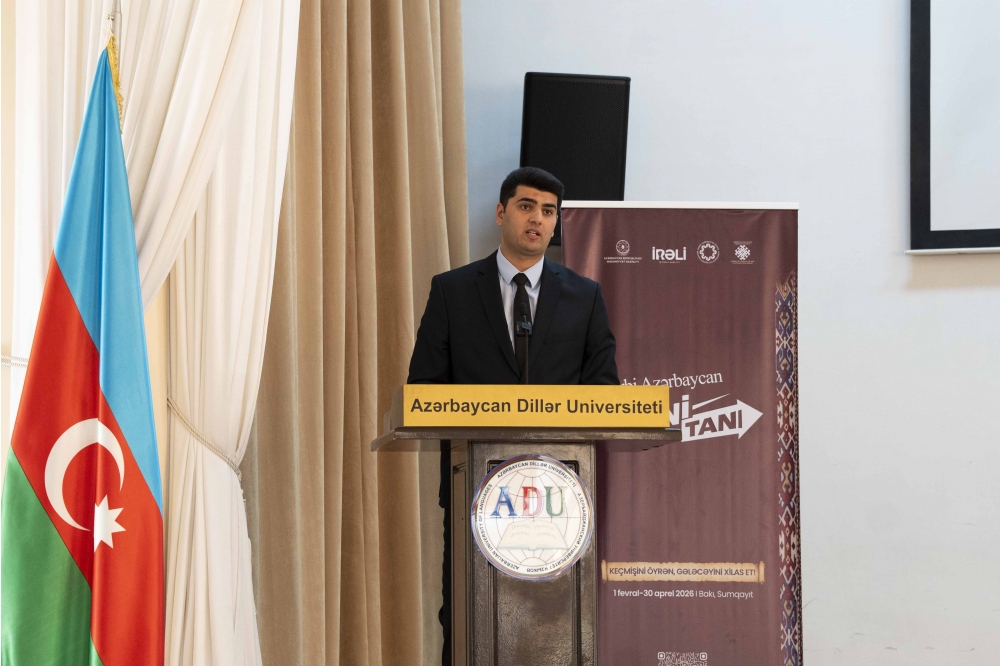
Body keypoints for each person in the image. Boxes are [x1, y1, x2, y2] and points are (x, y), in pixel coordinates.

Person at [406, 166, 619, 665]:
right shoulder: (453, 291)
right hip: (476, 489)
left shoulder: (585, 296)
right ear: (502, 213)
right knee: (466, 614)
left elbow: (604, 392)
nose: (537, 219)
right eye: (526, 207)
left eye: (548, 211)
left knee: (555, 617)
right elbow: (424, 388)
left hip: (560, 493)